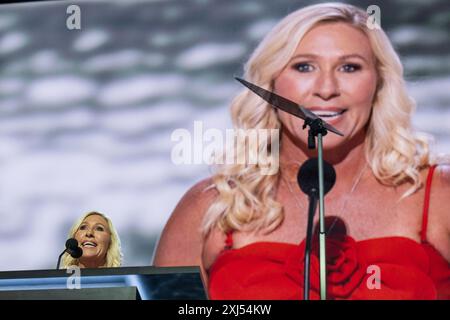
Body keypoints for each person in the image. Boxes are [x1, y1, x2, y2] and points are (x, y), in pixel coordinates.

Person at [153, 3, 449, 299]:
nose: (326, 88)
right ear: (270, 82)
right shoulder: (210, 206)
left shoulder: (436, 195)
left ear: (379, 83)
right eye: (304, 66)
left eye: (349, 67)